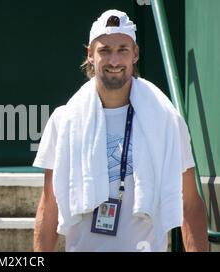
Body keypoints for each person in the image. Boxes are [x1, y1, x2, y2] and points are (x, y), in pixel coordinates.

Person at [33, 10, 208, 252]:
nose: (114, 61)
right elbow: (49, 206)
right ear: (90, 56)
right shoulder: (63, 120)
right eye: (105, 50)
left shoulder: (166, 120)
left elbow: (190, 204)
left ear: (135, 54)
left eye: (122, 50)